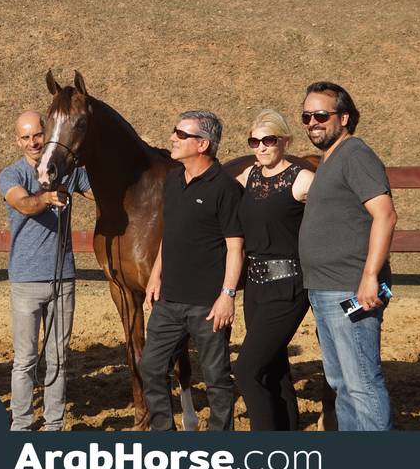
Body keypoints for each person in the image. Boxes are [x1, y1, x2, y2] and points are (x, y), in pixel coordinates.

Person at [299, 81, 396, 431]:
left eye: (321, 115)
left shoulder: (355, 154)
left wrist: (370, 276)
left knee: (362, 386)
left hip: (350, 288)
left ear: (344, 117)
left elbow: (385, 214)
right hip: (326, 289)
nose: (312, 122)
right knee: (343, 386)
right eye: (306, 116)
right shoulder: (332, 159)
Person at [139, 110, 244, 431]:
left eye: (181, 134)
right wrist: (156, 274)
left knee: (215, 378)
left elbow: (235, 248)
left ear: (203, 144)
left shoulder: (224, 187)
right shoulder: (172, 180)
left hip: (208, 305)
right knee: (151, 368)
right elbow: (169, 235)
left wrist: (227, 296)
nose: (173, 138)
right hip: (168, 300)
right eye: (175, 132)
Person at [0, 110, 92, 431]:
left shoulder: (68, 171)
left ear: (46, 132)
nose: (32, 142)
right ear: (17, 140)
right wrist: (49, 197)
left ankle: (54, 425)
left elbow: (100, 192)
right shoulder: (11, 175)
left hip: (62, 277)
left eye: (37, 134)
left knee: (59, 358)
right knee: (24, 359)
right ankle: (21, 424)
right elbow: (23, 204)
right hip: (25, 280)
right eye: (25, 137)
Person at [233, 109, 314, 431]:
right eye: (255, 141)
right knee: (274, 368)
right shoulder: (248, 177)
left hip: (289, 286)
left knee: (247, 370)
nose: (261, 147)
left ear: (285, 141)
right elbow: (216, 194)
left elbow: (341, 213)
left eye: (269, 140)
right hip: (254, 289)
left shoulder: (303, 178)